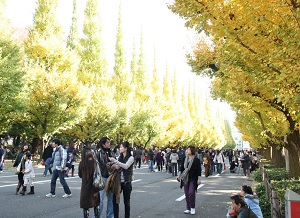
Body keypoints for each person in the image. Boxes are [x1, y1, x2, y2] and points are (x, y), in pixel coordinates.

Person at [108, 141, 134, 218]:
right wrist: (114, 165)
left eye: (121, 147)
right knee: (115, 201)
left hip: (127, 182)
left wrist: (115, 161)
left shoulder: (131, 158)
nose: (120, 148)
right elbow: (117, 166)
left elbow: (126, 166)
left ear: (126, 148)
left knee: (126, 202)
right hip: (118, 182)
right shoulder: (120, 157)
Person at [177, 145, 201, 215]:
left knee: (191, 192)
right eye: (187, 149)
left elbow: (199, 170)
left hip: (193, 178)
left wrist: (199, 179)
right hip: (185, 178)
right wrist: (179, 175)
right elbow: (181, 168)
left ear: (192, 151)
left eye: (188, 149)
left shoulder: (196, 160)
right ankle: (188, 208)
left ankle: (192, 207)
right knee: (186, 193)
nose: (187, 151)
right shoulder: (185, 159)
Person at [78, 147, 100, 218]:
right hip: (94, 186)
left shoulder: (82, 163)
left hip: (85, 187)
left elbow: (80, 175)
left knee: (85, 206)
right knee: (96, 204)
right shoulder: (95, 162)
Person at [97, 137, 114, 218]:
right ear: (103, 144)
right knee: (100, 199)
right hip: (102, 178)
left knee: (111, 199)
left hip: (111, 178)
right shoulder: (99, 153)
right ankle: (97, 216)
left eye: (109, 142)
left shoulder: (111, 152)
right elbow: (96, 166)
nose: (109, 144)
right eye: (107, 142)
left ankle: (110, 216)